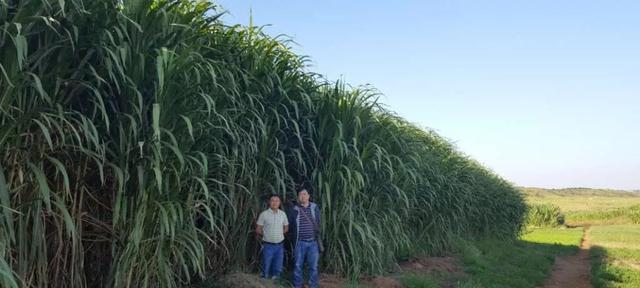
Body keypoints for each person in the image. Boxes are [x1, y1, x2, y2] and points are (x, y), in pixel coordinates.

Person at [288, 188, 321, 288]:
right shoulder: (294, 209)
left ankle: (313, 285)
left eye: (305, 194)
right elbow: (291, 225)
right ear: (298, 197)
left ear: (308, 196)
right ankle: (297, 285)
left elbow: (318, 222)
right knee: (298, 266)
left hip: (313, 242)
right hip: (299, 242)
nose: (303, 196)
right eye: (300, 194)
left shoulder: (315, 207)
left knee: (313, 266)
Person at [256, 194, 289, 280]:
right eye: (272, 200)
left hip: (280, 245)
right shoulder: (264, 214)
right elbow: (258, 229)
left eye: (277, 201)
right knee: (266, 262)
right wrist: (267, 234)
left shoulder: (283, 214)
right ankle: (264, 278)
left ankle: (276, 280)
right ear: (269, 202)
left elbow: (286, 227)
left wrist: (279, 234)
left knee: (278, 264)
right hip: (268, 245)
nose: (274, 203)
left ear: (279, 203)